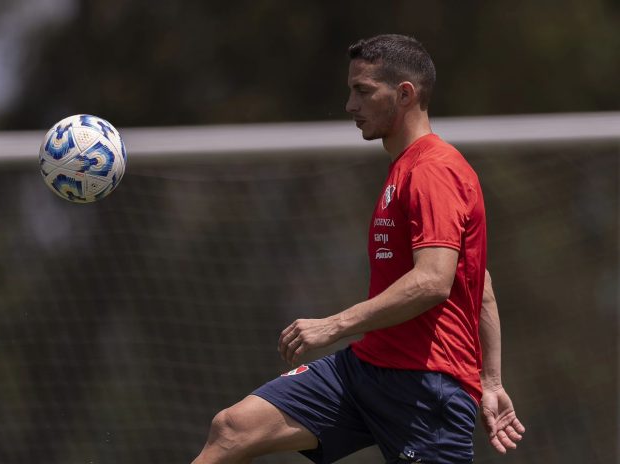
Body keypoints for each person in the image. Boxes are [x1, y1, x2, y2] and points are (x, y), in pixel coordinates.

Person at [191, 34, 525, 464]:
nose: (350, 105)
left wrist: (334, 325)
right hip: (366, 369)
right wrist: (492, 380)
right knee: (233, 428)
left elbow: (435, 281)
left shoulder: (434, 170)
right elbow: (481, 281)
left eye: (363, 91)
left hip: (426, 387)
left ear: (405, 94)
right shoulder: (404, 168)